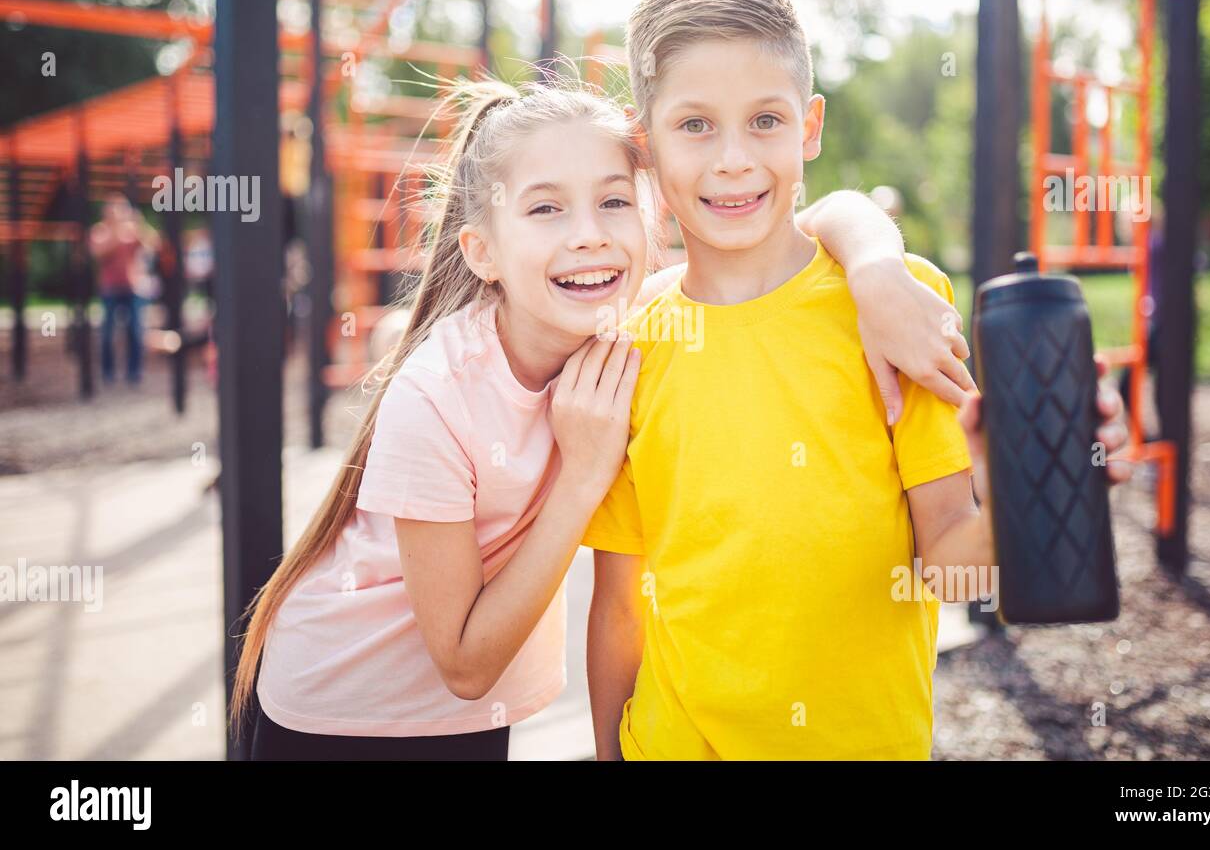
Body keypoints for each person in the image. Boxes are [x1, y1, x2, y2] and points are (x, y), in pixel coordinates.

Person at [228, 78, 958, 760]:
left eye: (614, 202)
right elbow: (465, 662)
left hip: (477, 718)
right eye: (546, 208)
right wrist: (582, 476)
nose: (590, 235)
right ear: (482, 252)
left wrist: (873, 264)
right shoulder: (435, 397)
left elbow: (819, 216)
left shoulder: (639, 327)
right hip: (343, 710)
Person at [583, 0, 1133, 760]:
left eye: (765, 120)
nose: (733, 158)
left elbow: (954, 567)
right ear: (646, 143)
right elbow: (621, 604)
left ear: (809, 125)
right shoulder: (629, 343)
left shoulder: (899, 307)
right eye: (695, 125)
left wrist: (1025, 485)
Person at [88, 193, 159, 385]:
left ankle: (134, 372)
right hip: (110, 287)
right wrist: (118, 233)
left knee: (136, 331)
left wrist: (140, 226)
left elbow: (152, 245)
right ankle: (108, 371)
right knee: (107, 333)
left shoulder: (132, 230)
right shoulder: (100, 230)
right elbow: (98, 252)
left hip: (134, 287)